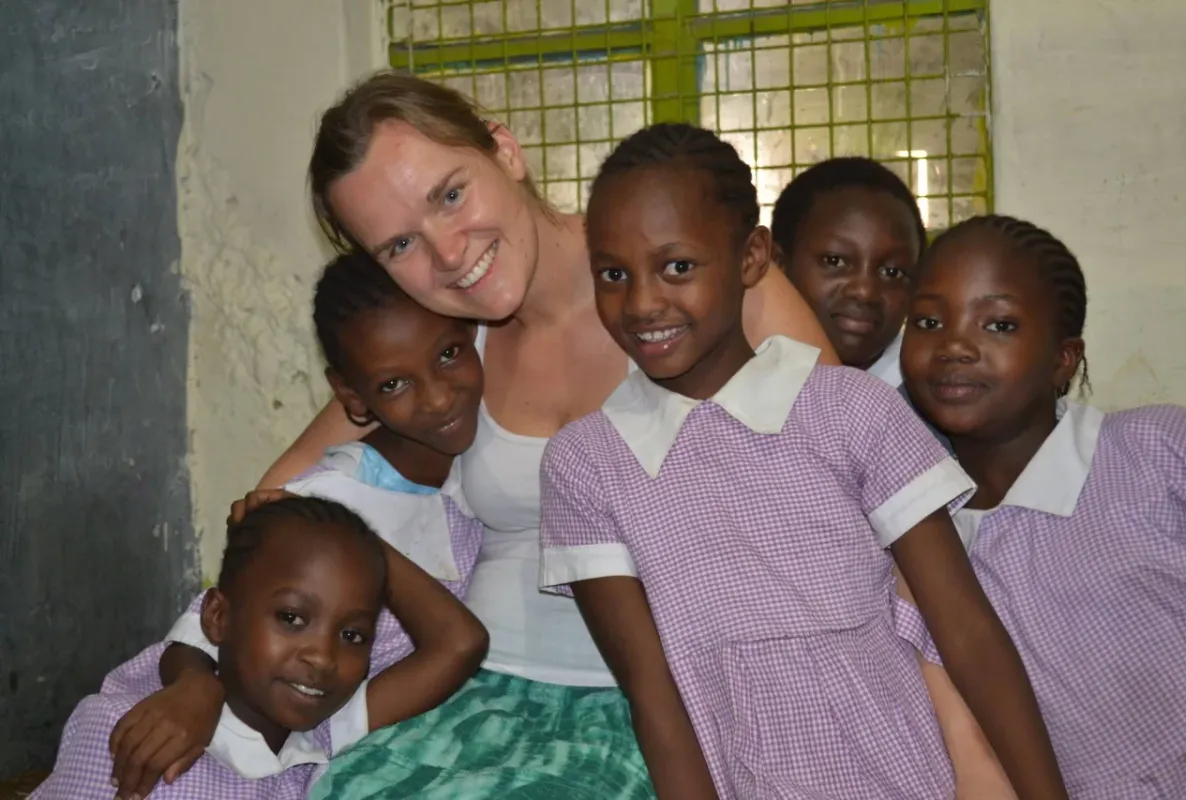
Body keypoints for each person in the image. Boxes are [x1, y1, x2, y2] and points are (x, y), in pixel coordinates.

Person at [113, 70, 840, 797]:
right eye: (400, 244)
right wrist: (200, 678)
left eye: (451, 195)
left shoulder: (691, 276)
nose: (449, 254)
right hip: (473, 701)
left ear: (504, 149)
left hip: (681, 704)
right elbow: (276, 509)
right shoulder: (447, 346)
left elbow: (859, 486)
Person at [538, 123, 1067, 799]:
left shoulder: (850, 410)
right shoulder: (586, 464)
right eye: (614, 274)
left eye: (678, 267)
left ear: (752, 257)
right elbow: (654, 695)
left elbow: (966, 630)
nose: (642, 303)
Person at [107, 252, 489, 800]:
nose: (437, 396)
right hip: (193, 736)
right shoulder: (326, 501)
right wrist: (196, 687)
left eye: (449, 354)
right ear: (352, 397)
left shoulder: (474, 489)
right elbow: (201, 625)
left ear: (475, 334)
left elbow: (458, 643)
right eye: (393, 384)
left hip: (309, 743)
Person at [900, 214, 1186, 798]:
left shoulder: (1159, 450)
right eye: (929, 322)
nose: (954, 346)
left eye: (999, 324)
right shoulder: (923, 540)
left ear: (1064, 358)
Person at [36, 497, 486, 800]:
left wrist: (359, 545)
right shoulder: (134, 729)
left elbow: (460, 643)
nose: (322, 657)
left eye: (353, 635)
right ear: (218, 617)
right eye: (291, 618)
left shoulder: (320, 737)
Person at [772, 157, 926, 388]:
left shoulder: (929, 396)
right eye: (834, 261)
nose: (865, 292)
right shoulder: (734, 384)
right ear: (778, 264)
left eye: (892, 272)